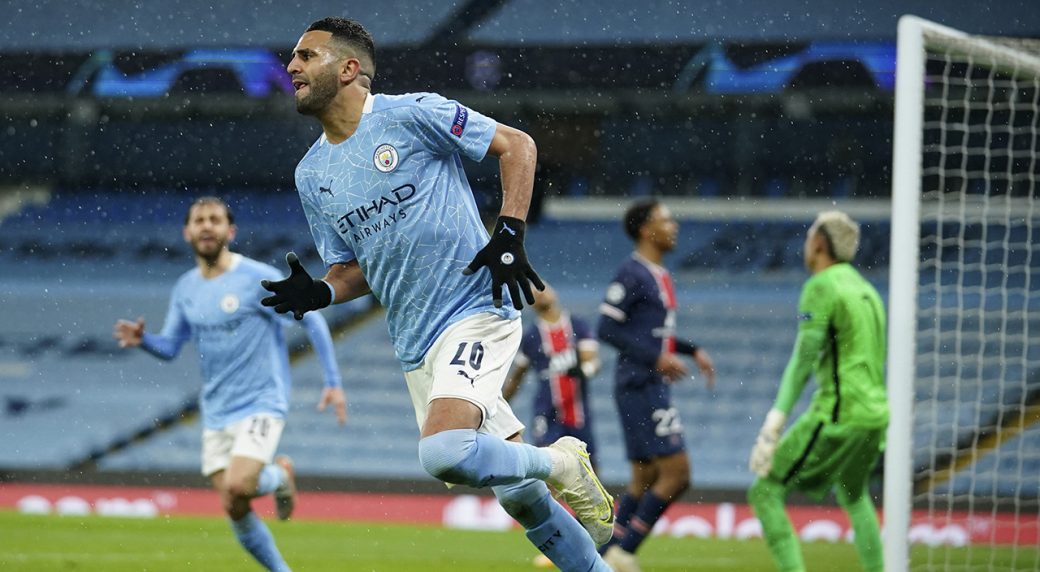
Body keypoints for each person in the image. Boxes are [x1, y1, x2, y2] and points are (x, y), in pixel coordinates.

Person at [261, 17, 614, 572]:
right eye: (293, 57)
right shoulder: (312, 175)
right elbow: (353, 269)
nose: (291, 67)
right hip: (416, 342)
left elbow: (516, 146)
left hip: (475, 310)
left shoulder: (411, 114)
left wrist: (510, 233)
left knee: (445, 454)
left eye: (306, 56)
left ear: (349, 68)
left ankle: (562, 461)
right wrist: (323, 292)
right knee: (521, 499)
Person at [113, 197, 346, 572]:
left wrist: (332, 381)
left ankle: (280, 475)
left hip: (261, 401)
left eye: (215, 220)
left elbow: (312, 319)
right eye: (199, 220)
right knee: (234, 506)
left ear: (230, 231)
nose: (207, 226)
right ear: (187, 232)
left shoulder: (255, 278)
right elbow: (171, 347)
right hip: (217, 410)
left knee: (239, 486)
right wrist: (145, 341)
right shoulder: (186, 288)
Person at [747, 210, 887, 572]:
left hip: (840, 414)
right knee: (854, 494)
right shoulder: (866, 289)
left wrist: (774, 422)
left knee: (764, 492)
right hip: (875, 415)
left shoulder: (822, 285)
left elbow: (803, 360)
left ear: (820, 243)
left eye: (809, 238)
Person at [597, 199, 716, 572]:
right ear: (647, 230)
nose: (674, 225)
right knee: (677, 474)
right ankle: (625, 551)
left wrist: (689, 349)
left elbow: (652, 334)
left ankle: (601, 557)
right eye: (666, 220)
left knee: (645, 476)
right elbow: (607, 327)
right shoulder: (631, 273)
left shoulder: (658, 273)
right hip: (640, 383)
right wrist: (656, 358)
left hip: (647, 381)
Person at [503, 284, 602, 570]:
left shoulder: (578, 326)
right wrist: (494, 405)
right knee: (549, 477)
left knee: (590, 475)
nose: (540, 292)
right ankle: (560, 542)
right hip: (546, 414)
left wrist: (582, 371)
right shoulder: (532, 336)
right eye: (534, 290)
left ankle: (592, 541)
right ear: (531, 303)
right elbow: (517, 377)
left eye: (543, 286)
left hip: (578, 415)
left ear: (555, 292)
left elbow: (593, 362)